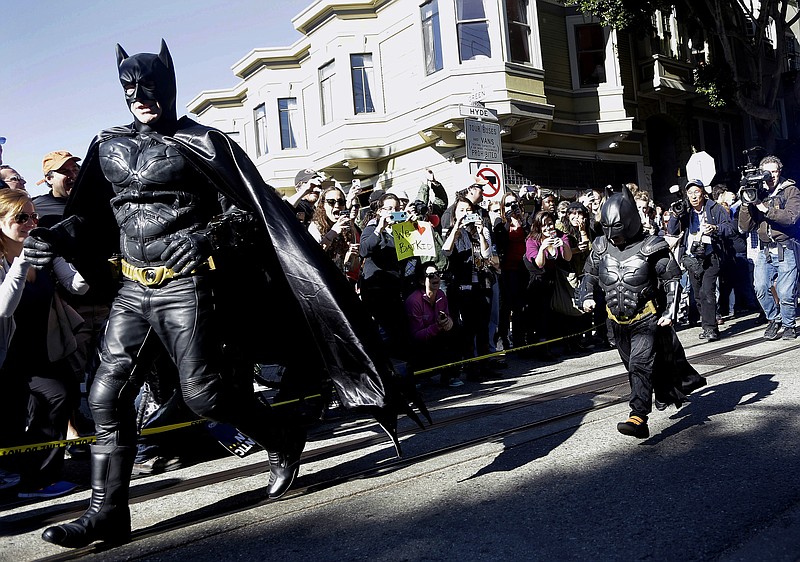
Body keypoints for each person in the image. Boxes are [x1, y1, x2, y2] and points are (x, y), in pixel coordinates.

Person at [25, 41, 417, 549]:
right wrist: (52, 237)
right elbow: (91, 221)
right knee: (105, 398)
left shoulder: (203, 141)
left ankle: (281, 436)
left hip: (188, 285)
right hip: (131, 287)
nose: (140, 95)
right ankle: (106, 514)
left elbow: (249, 211)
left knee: (205, 395)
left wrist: (205, 237)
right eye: (129, 87)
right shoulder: (108, 145)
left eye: (149, 85)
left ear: (169, 85)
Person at [579, 186, 706, 438]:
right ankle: (662, 388)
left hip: (645, 318)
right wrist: (586, 297)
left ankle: (638, 417)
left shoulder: (651, 246)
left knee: (639, 364)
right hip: (615, 322)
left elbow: (672, 279)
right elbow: (589, 276)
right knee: (635, 367)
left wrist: (670, 311)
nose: (614, 237)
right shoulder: (600, 247)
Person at [0, 189, 88, 498]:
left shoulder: (41, 251)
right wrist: (23, 262)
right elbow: (3, 308)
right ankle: (32, 479)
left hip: (43, 349)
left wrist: (66, 254)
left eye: (34, 216)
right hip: (7, 355)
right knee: (35, 407)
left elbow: (78, 286)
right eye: (21, 218)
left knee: (61, 399)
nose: (30, 223)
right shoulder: (6, 259)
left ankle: (38, 478)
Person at [738, 155, 800, 341]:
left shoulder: (790, 190)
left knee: (785, 291)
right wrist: (745, 203)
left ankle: (789, 325)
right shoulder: (757, 192)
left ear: (780, 172)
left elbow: (791, 218)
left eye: (774, 172)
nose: (771, 176)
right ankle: (774, 319)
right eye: (767, 172)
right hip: (764, 249)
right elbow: (744, 226)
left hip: (786, 247)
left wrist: (765, 208)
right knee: (760, 287)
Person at [667, 180, 734, 342]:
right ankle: (707, 324)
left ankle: (711, 328)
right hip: (692, 258)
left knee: (707, 292)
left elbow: (730, 228)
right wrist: (675, 215)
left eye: (696, 192)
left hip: (711, 256)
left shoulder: (714, 208)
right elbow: (672, 230)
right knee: (697, 294)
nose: (693, 196)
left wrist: (715, 228)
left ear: (703, 193)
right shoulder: (686, 210)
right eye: (690, 193)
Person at [442, 196, 494, 378]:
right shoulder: (451, 231)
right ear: (455, 213)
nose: (465, 214)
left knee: (482, 326)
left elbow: (487, 254)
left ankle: (485, 365)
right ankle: (472, 367)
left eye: (468, 211)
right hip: (461, 286)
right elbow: (446, 251)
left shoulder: (478, 230)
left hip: (481, 284)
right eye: (461, 210)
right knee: (467, 328)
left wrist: (480, 233)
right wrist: (456, 228)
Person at [405, 263, 462, 387]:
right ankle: (419, 375)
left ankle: (451, 375)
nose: (436, 277)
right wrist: (437, 327)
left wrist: (449, 323)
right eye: (431, 275)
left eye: (437, 274)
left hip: (436, 334)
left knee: (457, 331)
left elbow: (447, 317)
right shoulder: (414, 301)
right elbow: (415, 335)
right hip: (418, 341)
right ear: (421, 280)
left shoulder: (441, 295)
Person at [493, 191, 529, 350]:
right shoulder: (500, 223)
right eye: (507, 204)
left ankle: (521, 340)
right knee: (507, 307)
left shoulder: (525, 220)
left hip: (525, 268)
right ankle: (503, 340)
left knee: (522, 307)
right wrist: (507, 222)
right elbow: (499, 241)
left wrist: (522, 219)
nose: (511, 207)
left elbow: (532, 237)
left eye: (514, 203)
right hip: (508, 270)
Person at [308, 185, 360, 282]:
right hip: (322, 282)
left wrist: (352, 255)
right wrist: (333, 232)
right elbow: (313, 257)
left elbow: (350, 267)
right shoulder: (316, 227)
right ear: (322, 205)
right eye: (331, 202)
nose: (337, 206)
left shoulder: (347, 227)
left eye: (341, 202)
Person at [32, 151, 81, 227]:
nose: (73, 175)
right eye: (64, 171)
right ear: (49, 179)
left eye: (75, 169)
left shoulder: (98, 200)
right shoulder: (35, 209)